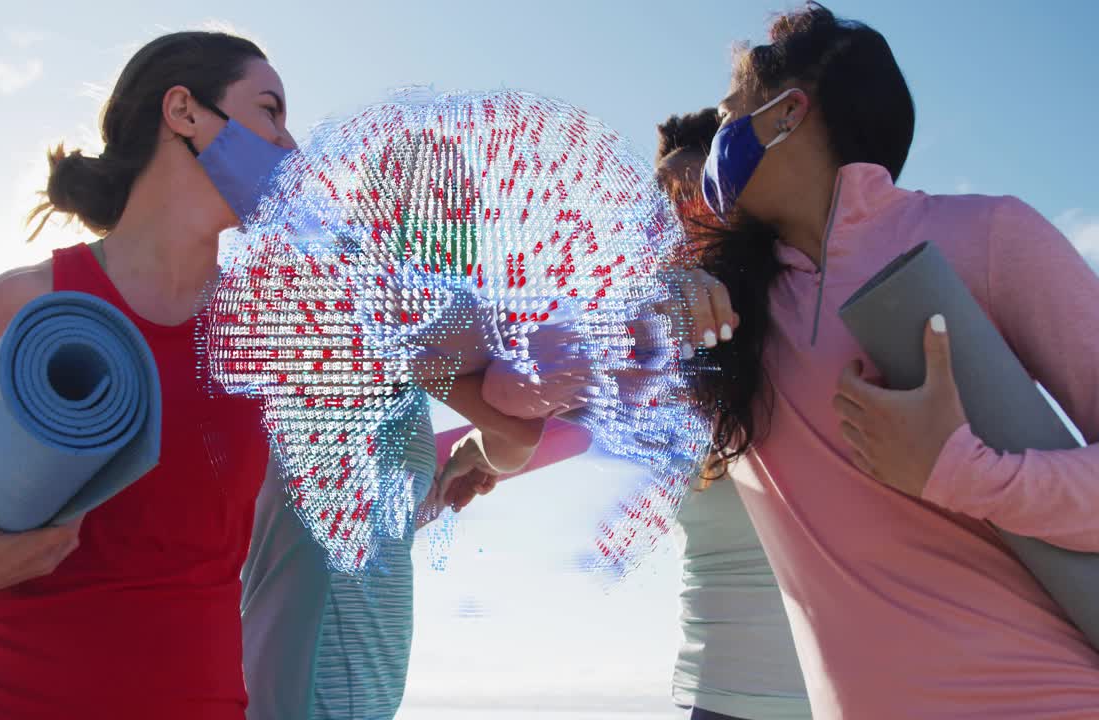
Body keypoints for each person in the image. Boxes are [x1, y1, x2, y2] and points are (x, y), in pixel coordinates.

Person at [0, 31, 296, 719]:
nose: (290, 144)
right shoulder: (29, 302)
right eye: (270, 111)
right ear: (184, 112)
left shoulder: (271, 332)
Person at [674, 3, 1099, 717]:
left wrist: (968, 476)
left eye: (726, 117)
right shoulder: (726, 313)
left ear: (786, 115)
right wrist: (646, 297)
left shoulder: (990, 238)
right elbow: (527, 391)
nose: (715, 144)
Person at [239, 134, 575, 720]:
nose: (461, 222)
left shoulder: (400, 350)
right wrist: (481, 443)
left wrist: (443, 480)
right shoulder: (365, 316)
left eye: (464, 204)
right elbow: (520, 438)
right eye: (449, 202)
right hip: (311, 685)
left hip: (355, 689)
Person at [655, 109, 812, 720]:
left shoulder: (811, 315)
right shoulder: (657, 352)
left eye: (692, 194)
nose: (674, 218)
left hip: (854, 693)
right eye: (661, 204)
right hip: (716, 699)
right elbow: (534, 410)